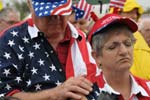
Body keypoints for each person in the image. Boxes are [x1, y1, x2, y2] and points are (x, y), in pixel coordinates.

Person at [0, 0, 100, 100]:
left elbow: (96, 85)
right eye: (47, 12)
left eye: (61, 12)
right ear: (30, 5)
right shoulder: (10, 40)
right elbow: (6, 95)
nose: (56, 17)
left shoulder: (81, 38)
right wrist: (54, 94)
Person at [89, 14, 150, 100]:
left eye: (128, 44)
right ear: (96, 56)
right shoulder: (85, 93)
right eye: (112, 47)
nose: (124, 51)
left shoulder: (148, 88)